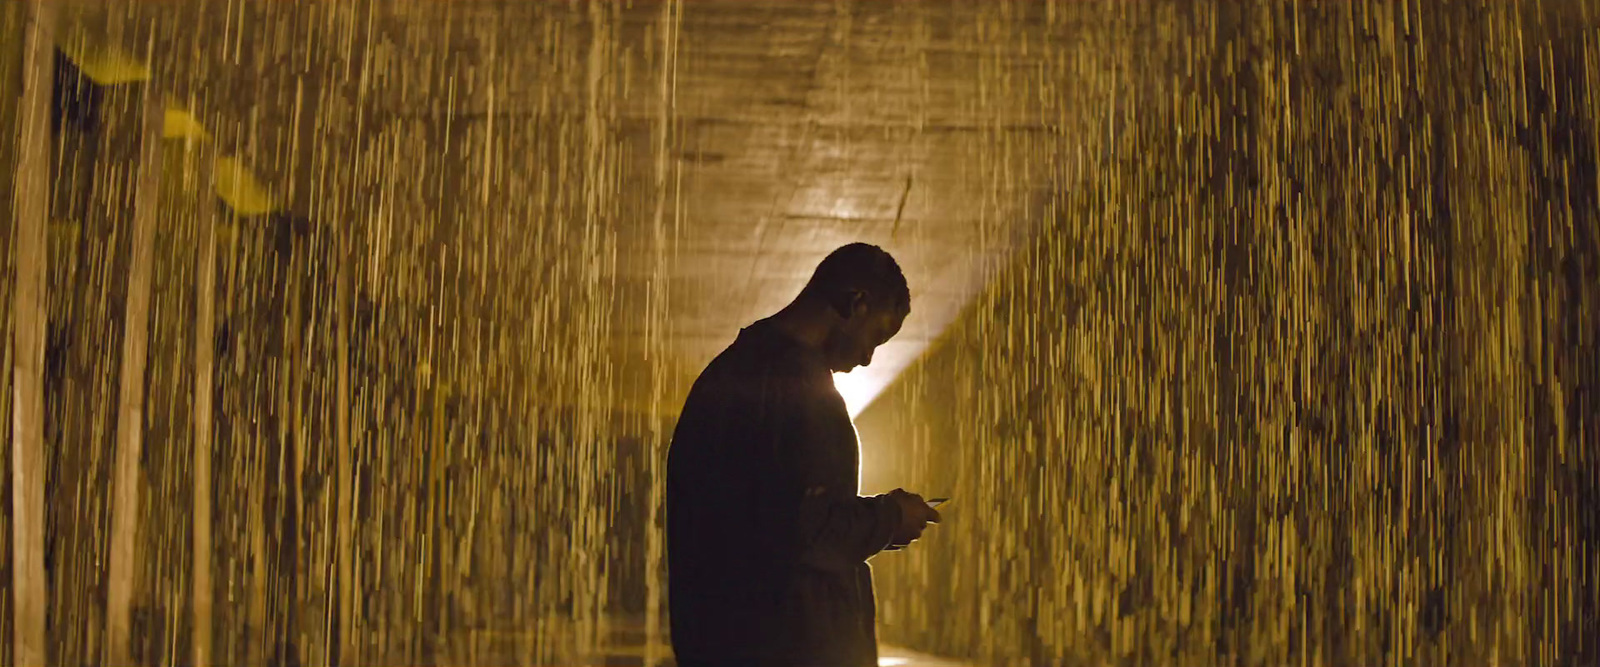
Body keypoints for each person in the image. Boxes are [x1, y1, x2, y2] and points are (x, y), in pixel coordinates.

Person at [666, 242, 943, 667]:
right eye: (876, 337)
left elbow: (774, 520)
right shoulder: (795, 388)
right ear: (856, 303)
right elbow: (809, 533)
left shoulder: (734, 371)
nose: (869, 359)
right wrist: (891, 518)